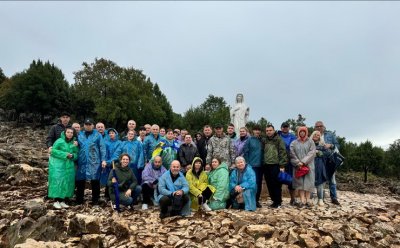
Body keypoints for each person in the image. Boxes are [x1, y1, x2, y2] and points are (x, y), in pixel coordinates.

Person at [76, 118, 107, 205]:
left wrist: (103, 160)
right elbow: (75, 146)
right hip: (82, 161)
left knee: (95, 180)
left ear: (93, 125)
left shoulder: (97, 135)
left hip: (94, 161)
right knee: (80, 180)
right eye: (86, 124)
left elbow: (102, 148)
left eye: (90, 124)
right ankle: (79, 200)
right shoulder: (80, 135)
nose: (88, 126)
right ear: (84, 125)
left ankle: (95, 200)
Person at [48, 127, 78, 209]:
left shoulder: (73, 143)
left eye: (71, 133)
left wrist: (73, 156)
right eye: (68, 132)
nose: (70, 134)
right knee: (58, 182)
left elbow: (76, 154)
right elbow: (52, 151)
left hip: (69, 166)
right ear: (65, 133)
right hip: (59, 166)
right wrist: (65, 154)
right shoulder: (59, 141)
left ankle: (62, 200)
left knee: (67, 182)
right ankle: (56, 201)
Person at [314, 121, 341, 205]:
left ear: (324, 127)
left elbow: (338, 145)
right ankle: (321, 198)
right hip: (319, 161)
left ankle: (334, 198)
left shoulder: (330, 135)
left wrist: (331, 145)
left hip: (330, 160)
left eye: (320, 126)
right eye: (317, 126)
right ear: (315, 127)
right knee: (321, 179)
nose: (319, 127)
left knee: (332, 179)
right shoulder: (314, 135)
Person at [290, 126, 316, 207]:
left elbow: (312, 152)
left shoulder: (311, 142)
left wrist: (304, 161)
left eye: (303, 131)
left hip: (309, 165)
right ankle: (302, 200)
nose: (302, 133)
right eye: (300, 131)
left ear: (306, 132)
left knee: (308, 182)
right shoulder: (294, 143)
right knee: (300, 183)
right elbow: (292, 153)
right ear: (298, 132)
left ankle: (308, 200)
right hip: (298, 166)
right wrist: (298, 162)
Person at [263, 124, 288, 208]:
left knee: (276, 184)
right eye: (267, 131)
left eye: (270, 130)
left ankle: (278, 201)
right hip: (266, 165)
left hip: (276, 165)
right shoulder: (264, 140)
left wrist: (282, 165)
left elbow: (283, 152)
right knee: (269, 184)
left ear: (273, 130)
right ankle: (274, 200)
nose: (268, 132)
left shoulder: (278, 139)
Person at [243, 125, 263, 208]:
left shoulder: (262, 140)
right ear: (253, 131)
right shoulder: (249, 140)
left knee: (259, 183)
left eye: (258, 130)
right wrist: (247, 163)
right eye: (255, 130)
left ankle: (257, 200)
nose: (257, 131)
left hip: (261, 165)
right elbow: (245, 152)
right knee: (252, 183)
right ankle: (250, 200)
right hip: (252, 166)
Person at [278, 122, 297, 205]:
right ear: (281, 128)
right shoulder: (277, 136)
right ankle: (278, 199)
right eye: (283, 127)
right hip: (280, 161)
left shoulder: (293, 137)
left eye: (286, 127)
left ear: (289, 128)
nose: (285, 128)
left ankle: (293, 199)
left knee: (291, 181)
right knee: (278, 180)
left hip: (290, 162)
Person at [101, 128, 122, 200]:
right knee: (108, 179)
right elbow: (104, 152)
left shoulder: (119, 143)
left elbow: (117, 154)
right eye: (109, 133)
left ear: (116, 134)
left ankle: (115, 195)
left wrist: (109, 162)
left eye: (113, 133)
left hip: (115, 163)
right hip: (107, 164)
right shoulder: (105, 142)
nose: (111, 134)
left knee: (115, 179)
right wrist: (104, 161)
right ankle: (107, 195)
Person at [311, 131, 328, 207]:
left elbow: (327, 154)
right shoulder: (309, 143)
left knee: (320, 182)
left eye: (318, 135)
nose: (316, 136)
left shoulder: (323, 145)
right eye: (315, 134)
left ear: (320, 137)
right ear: (312, 135)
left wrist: (320, 153)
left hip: (320, 165)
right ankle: (310, 199)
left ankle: (320, 199)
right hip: (310, 164)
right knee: (310, 182)